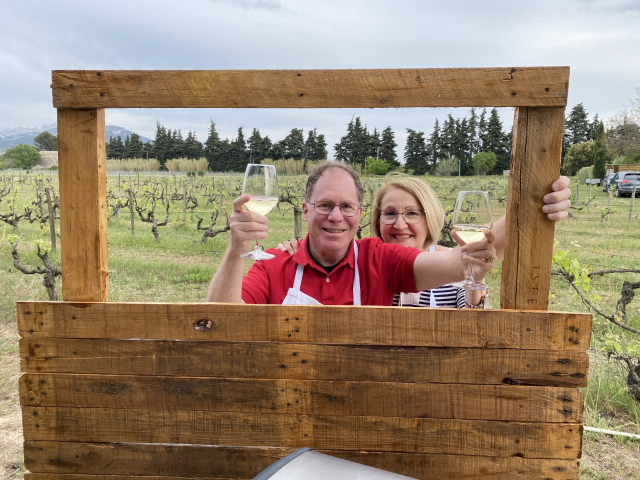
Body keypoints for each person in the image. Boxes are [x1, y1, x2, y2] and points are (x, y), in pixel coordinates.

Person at [207, 162, 570, 306]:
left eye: (347, 207)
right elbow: (220, 319)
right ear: (305, 210)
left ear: (360, 215)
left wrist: (539, 204)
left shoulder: (379, 258)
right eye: (324, 205)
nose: (336, 216)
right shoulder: (273, 263)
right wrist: (237, 247)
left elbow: (461, 258)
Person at [279, 175, 497, 307]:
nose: (399, 225)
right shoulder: (363, 267)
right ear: (377, 219)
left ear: (430, 218)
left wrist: (475, 281)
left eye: (412, 214)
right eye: (390, 214)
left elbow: (477, 329)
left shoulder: (454, 266)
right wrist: (305, 249)